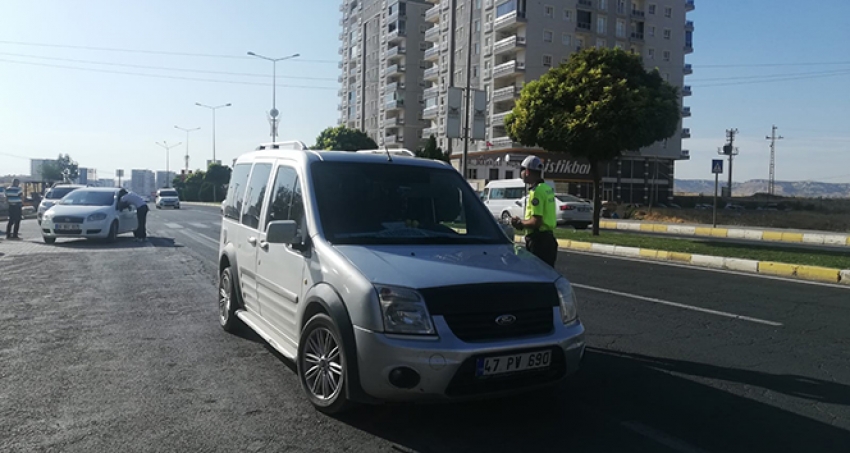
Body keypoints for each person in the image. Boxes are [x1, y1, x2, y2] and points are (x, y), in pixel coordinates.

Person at [511, 156, 559, 267]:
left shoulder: (536, 192)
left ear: (527, 172)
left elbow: (536, 222)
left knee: (535, 274)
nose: (521, 173)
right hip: (549, 240)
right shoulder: (547, 189)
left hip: (538, 241)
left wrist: (520, 223)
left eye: (522, 170)